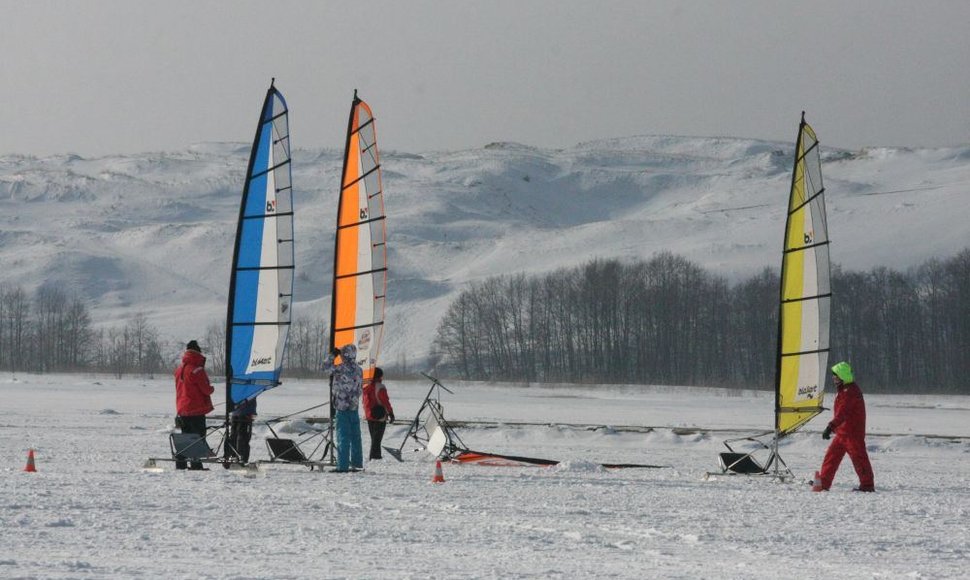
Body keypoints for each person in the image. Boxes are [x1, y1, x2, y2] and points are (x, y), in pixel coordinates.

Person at [812, 361, 875, 492]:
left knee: (859, 459)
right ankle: (823, 483)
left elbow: (843, 412)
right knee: (831, 457)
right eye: (833, 375)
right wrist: (835, 428)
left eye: (835, 375)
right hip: (843, 432)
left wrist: (830, 427)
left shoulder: (850, 391)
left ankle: (867, 486)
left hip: (852, 433)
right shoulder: (844, 390)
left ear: (842, 376)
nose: (833, 378)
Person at [174, 340, 215, 470]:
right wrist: (212, 388)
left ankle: (180, 463)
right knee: (198, 437)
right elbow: (206, 390)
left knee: (186, 437)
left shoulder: (179, 369)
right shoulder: (197, 370)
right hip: (196, 410)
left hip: (182, 408)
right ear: (198, 352)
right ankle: (196, 465)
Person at [324, 343, 363, 472]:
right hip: (354, 407)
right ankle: (357, 464)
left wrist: (332, 356)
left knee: (343, 437)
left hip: (342, 408)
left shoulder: (340, 369)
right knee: (356, 437)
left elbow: (325, 368)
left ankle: (343, 466)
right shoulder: (359, 370)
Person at [362, 367, 395, 460]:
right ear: (380, 376)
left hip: (369, 415)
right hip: (380, 416)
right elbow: (385, 402)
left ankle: (375, 455)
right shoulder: (380, 387)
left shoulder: (366, 386)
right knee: (377, 438)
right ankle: (375, 456)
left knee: (374, 437)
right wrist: (391, 413)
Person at [226, 397, 257, 465]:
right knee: (235, 437)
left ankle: (240, 459)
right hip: (238, 413)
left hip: (244, 412)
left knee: (240, 437)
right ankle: (235, 458)